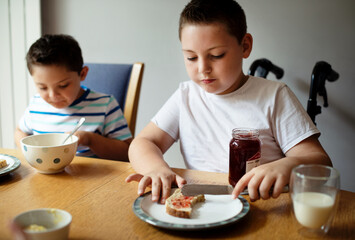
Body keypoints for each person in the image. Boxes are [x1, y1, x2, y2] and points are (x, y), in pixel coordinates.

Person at [126, 0, 331, 202]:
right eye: (191, 57)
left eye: (216, 55)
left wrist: (288, 165)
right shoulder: (186, 96)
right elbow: (142, 142)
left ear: (245, 46)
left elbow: (321, 163)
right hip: (203, 205)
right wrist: (156, 169)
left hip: (261, 205)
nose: (202, 68)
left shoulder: (274, 96)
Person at [15, 34, 132, 161]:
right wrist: (29, 154)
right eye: (43, 87)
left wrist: (90, 140)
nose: (53, 95)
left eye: (63, 85)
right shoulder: (36, 104)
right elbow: (19, 131)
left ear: (82, 74)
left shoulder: (105, 105)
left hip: (90, 178)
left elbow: (127, 152)